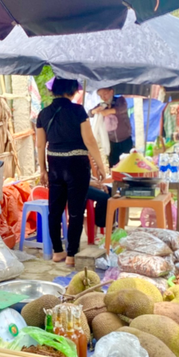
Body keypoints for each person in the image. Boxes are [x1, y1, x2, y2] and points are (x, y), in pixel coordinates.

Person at [37, 78, 107, 266]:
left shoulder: (43, 113)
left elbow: (40, 145)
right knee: (76, 212)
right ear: (73, 91)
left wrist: (42, 169)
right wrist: (100, 166)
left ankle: (57, 251)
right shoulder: (78, 111)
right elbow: (90, 141)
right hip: (77, 165)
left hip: (55, 165)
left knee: (55, 210)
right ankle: (71, 255)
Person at [94, 87, 133, 167]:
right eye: (100, 96)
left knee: (127, 165)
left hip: (125, 139)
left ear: (111, 92)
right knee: (113, 166)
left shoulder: (120, 100)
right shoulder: (102, 105)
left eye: (105, 94)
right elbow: (90, 113)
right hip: (111, 141)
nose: (103, 97)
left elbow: (121, 109)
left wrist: (108, 111)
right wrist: (94, 111)